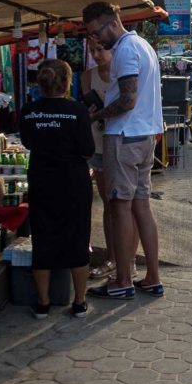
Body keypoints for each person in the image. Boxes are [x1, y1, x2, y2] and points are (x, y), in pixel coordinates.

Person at [82, 2, 165, 300]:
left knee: (119, 208)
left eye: (96, 33)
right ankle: (152, 277)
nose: (96, 40)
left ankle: (123, 280)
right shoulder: (143, 46)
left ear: (111, 23)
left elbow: (127, 99)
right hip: (143, 136)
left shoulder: (126, 50)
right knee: (141, 206)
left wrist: (95, 115)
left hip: (125, 137)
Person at [19, 59, 95, 319]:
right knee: (78, 238)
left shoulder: (28, 111)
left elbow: (28, 143)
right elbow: (87, 150)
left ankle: (43, 303)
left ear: (41, 83)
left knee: (43, 239)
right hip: (74, 182)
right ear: (66, 82)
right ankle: (80, 301)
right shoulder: (78, 111)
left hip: (42, 181)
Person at [82, 39, 118, 281]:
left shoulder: (123, 74)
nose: (96, 54)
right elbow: (86, 111)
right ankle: (112, 259)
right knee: (108, 204)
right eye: (92, 50)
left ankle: (120, 259)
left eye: (100, 50)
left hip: (120, 144)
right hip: (97, 145)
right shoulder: (88, 76)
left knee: (124, 204)